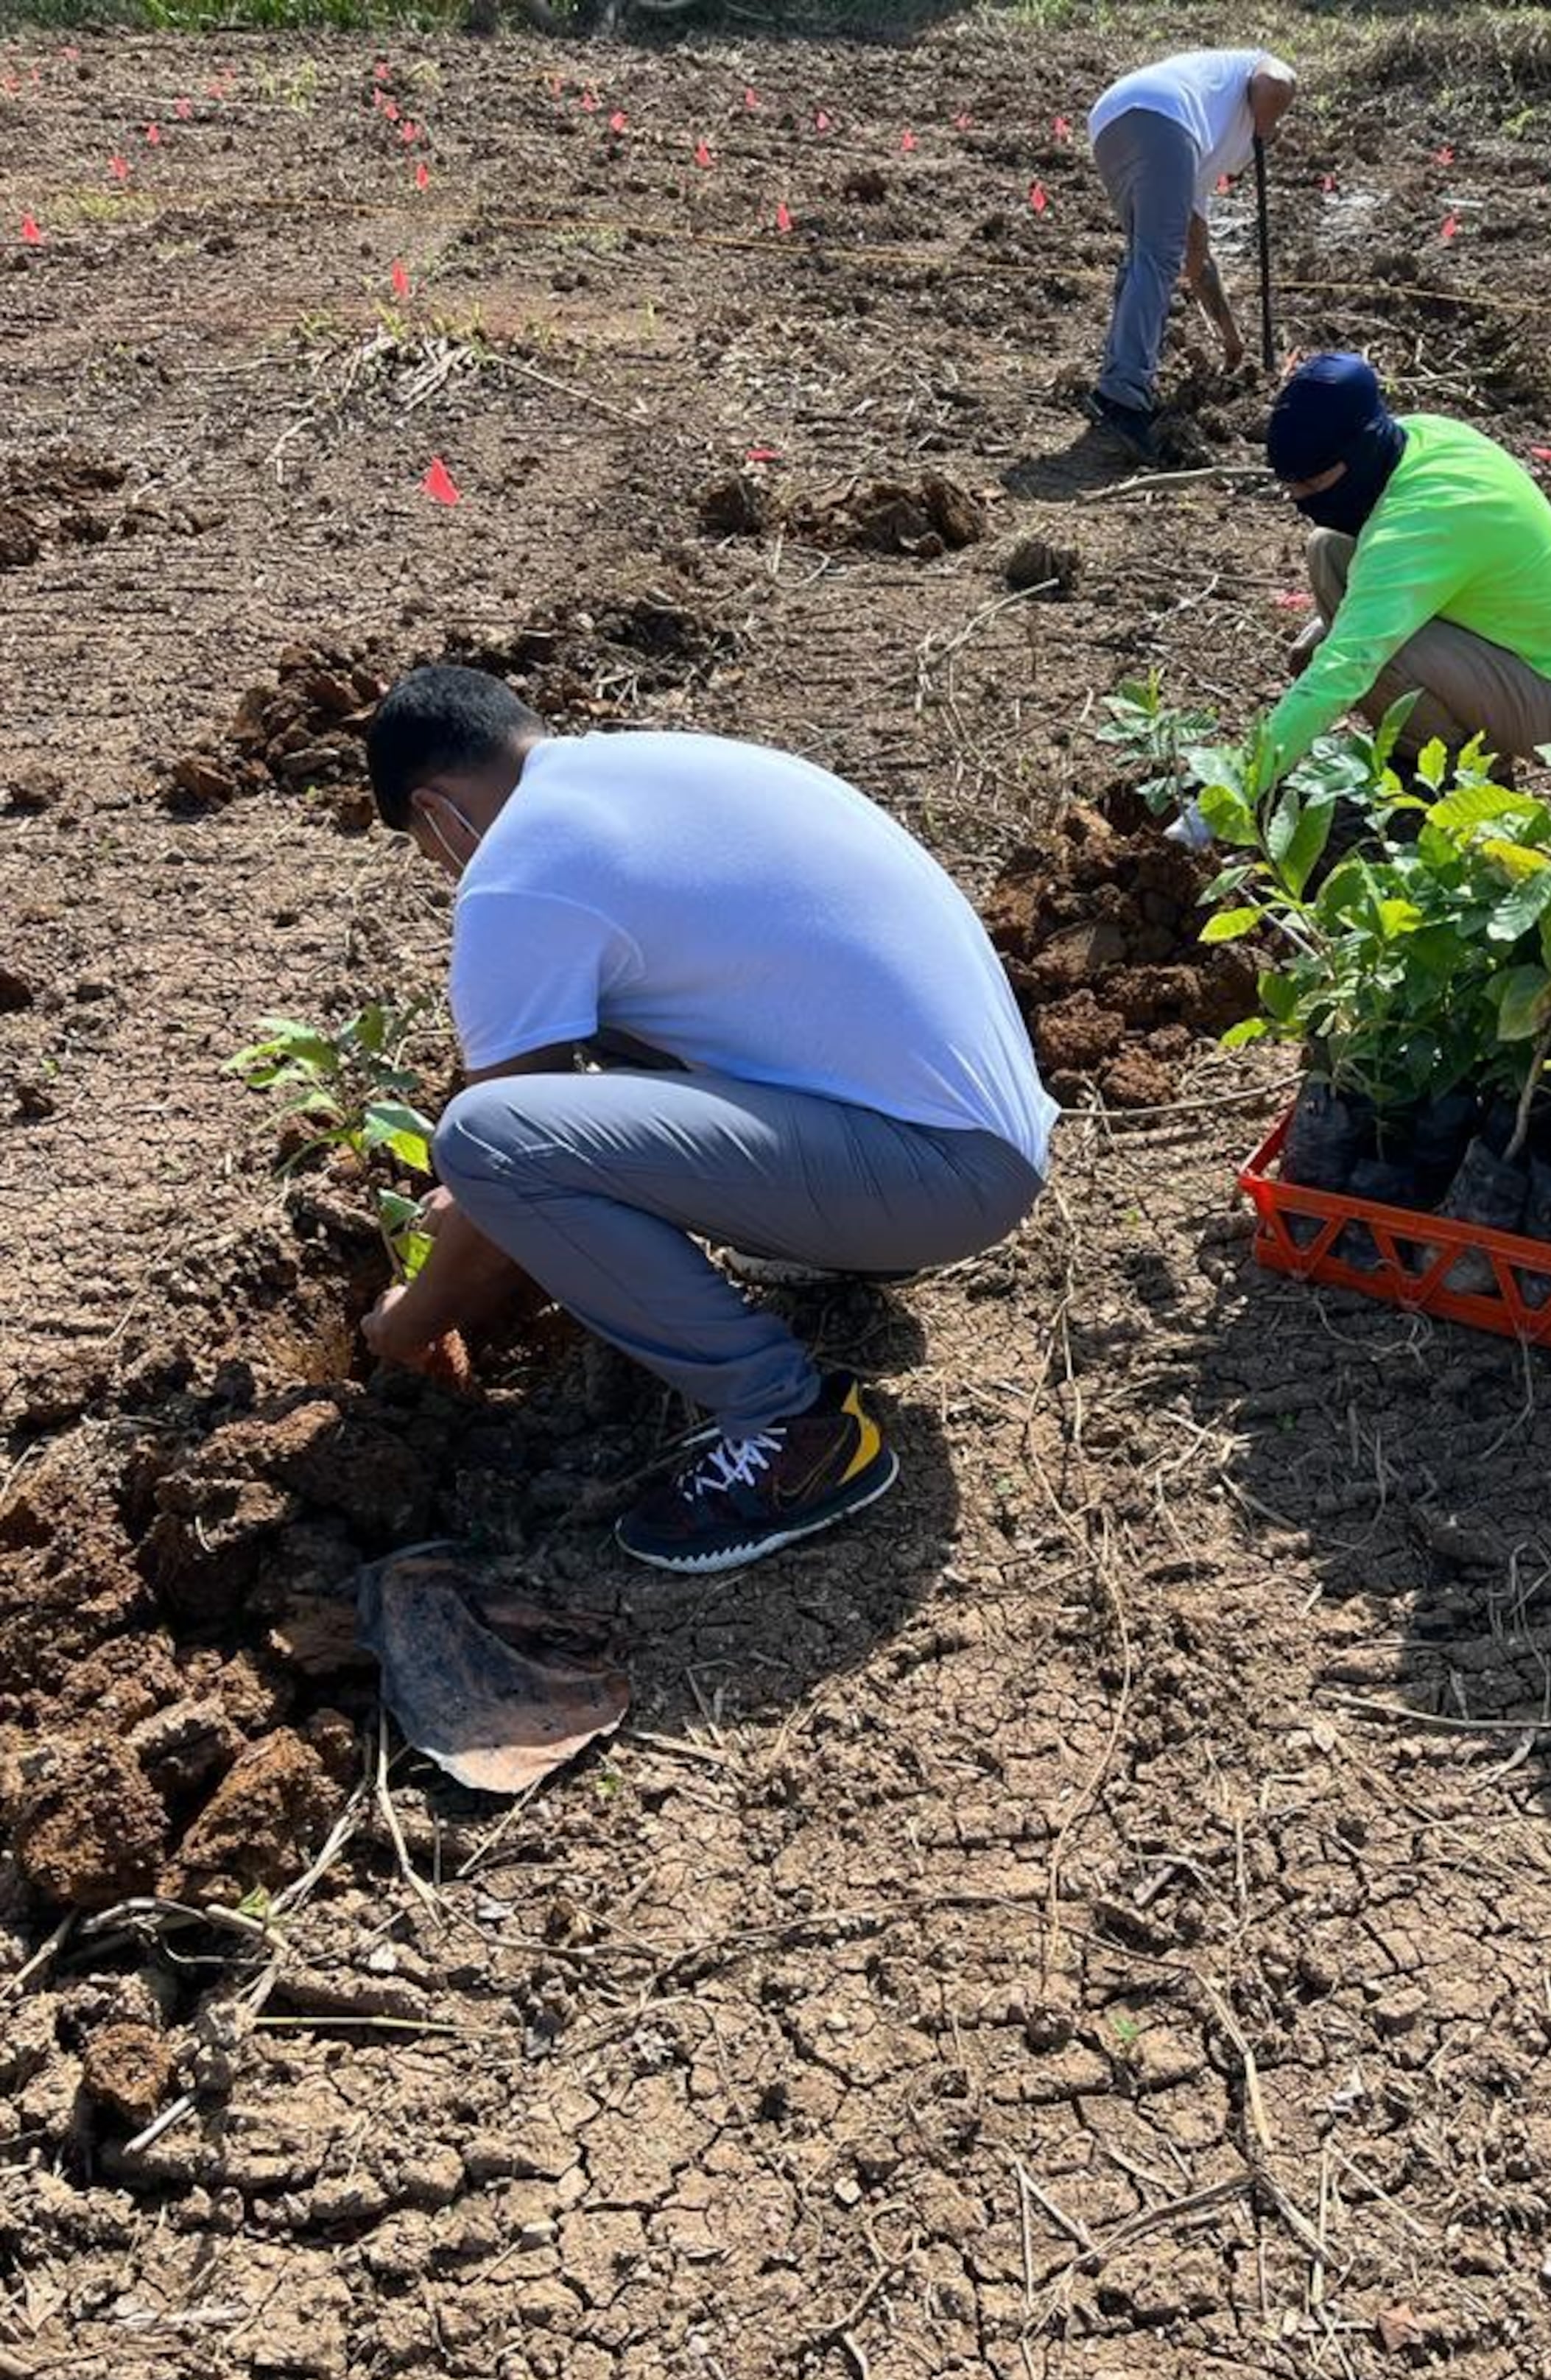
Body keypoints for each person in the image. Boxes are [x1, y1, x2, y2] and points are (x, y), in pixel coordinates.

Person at [359, 668, 1056, 1573]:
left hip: (936, 1178)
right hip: (985, 1135)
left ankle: (792, 1429)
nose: (451, 870)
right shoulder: (655, 768)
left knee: (485, 1139)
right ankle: (841, 1242)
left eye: (431, 850)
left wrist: (410, 1324)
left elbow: (501, 1155)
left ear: (436, 807)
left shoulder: (517, 870)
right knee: (598, 1033)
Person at [1262, 351, 1551, 777]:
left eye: (1311, 482)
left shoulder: (1421, 519)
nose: (1299, 498)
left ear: (1357, 455)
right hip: (1510, 652)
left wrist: (1241, 786)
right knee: (1328, 548)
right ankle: (1452, 740)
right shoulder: (1418, 436)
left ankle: (1453, 772)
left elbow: (1349, 662)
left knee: (1377, 654)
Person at [1085, 46, 1298, 463]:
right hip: (1162, 116)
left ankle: (1116, 380)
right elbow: (1276, 81)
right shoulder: (1249, 81)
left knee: (1146, 255)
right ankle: (1122, 398)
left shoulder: (1201, 157)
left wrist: (1231, 338)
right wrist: (1266, 127)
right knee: (1156, 258)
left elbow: (1197, 262)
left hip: (1111, 119)